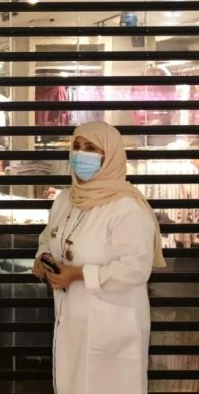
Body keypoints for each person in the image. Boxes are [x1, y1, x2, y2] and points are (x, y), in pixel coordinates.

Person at [32, 121, 165, 394]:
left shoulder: (126, 207)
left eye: (91, 148)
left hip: (113, 327)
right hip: (72, 320)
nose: (81, 154)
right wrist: (43, 258)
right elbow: (49, 237)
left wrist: (78, 275)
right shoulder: (65, 200)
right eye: (77, 146)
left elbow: (136, 268)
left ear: (110, 155)